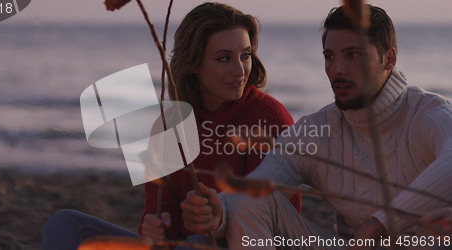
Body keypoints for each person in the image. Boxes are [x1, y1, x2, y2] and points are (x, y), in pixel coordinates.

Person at [181, 4, 452, 250]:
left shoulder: (427, 114)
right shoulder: (317, 129)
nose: (337, 69)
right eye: (330, 56)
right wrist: (220, 213)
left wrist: (379, 224)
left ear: (389, 59)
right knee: (243, 203)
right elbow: (257, 187)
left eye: (352, 54)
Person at [42, 3, 301, 249]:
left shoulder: (269, 119)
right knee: (64, 224)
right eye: (224, 59)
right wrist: (154, 229)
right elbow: (159, 220)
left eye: (245, 55)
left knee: (200, 242)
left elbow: (276, 229)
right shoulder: (167, 126)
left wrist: (214, 222)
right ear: (194, 65)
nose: (240, 70)